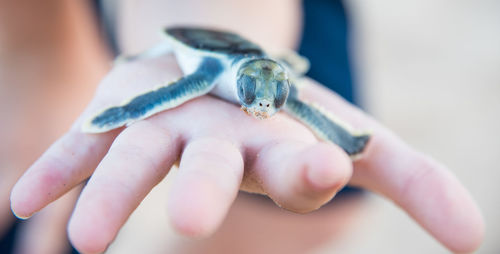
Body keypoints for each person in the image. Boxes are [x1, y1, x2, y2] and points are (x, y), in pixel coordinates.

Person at [2, 0, 484, 253]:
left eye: (270, 101)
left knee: (319, 211)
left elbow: (281, 91)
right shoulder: (211, 72)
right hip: (182, 40)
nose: (262, 108)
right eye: (254, 99)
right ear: (240, 85)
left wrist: (346, 139)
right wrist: (111, 104)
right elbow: (167, 92)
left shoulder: (276, 83)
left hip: (251, 18)